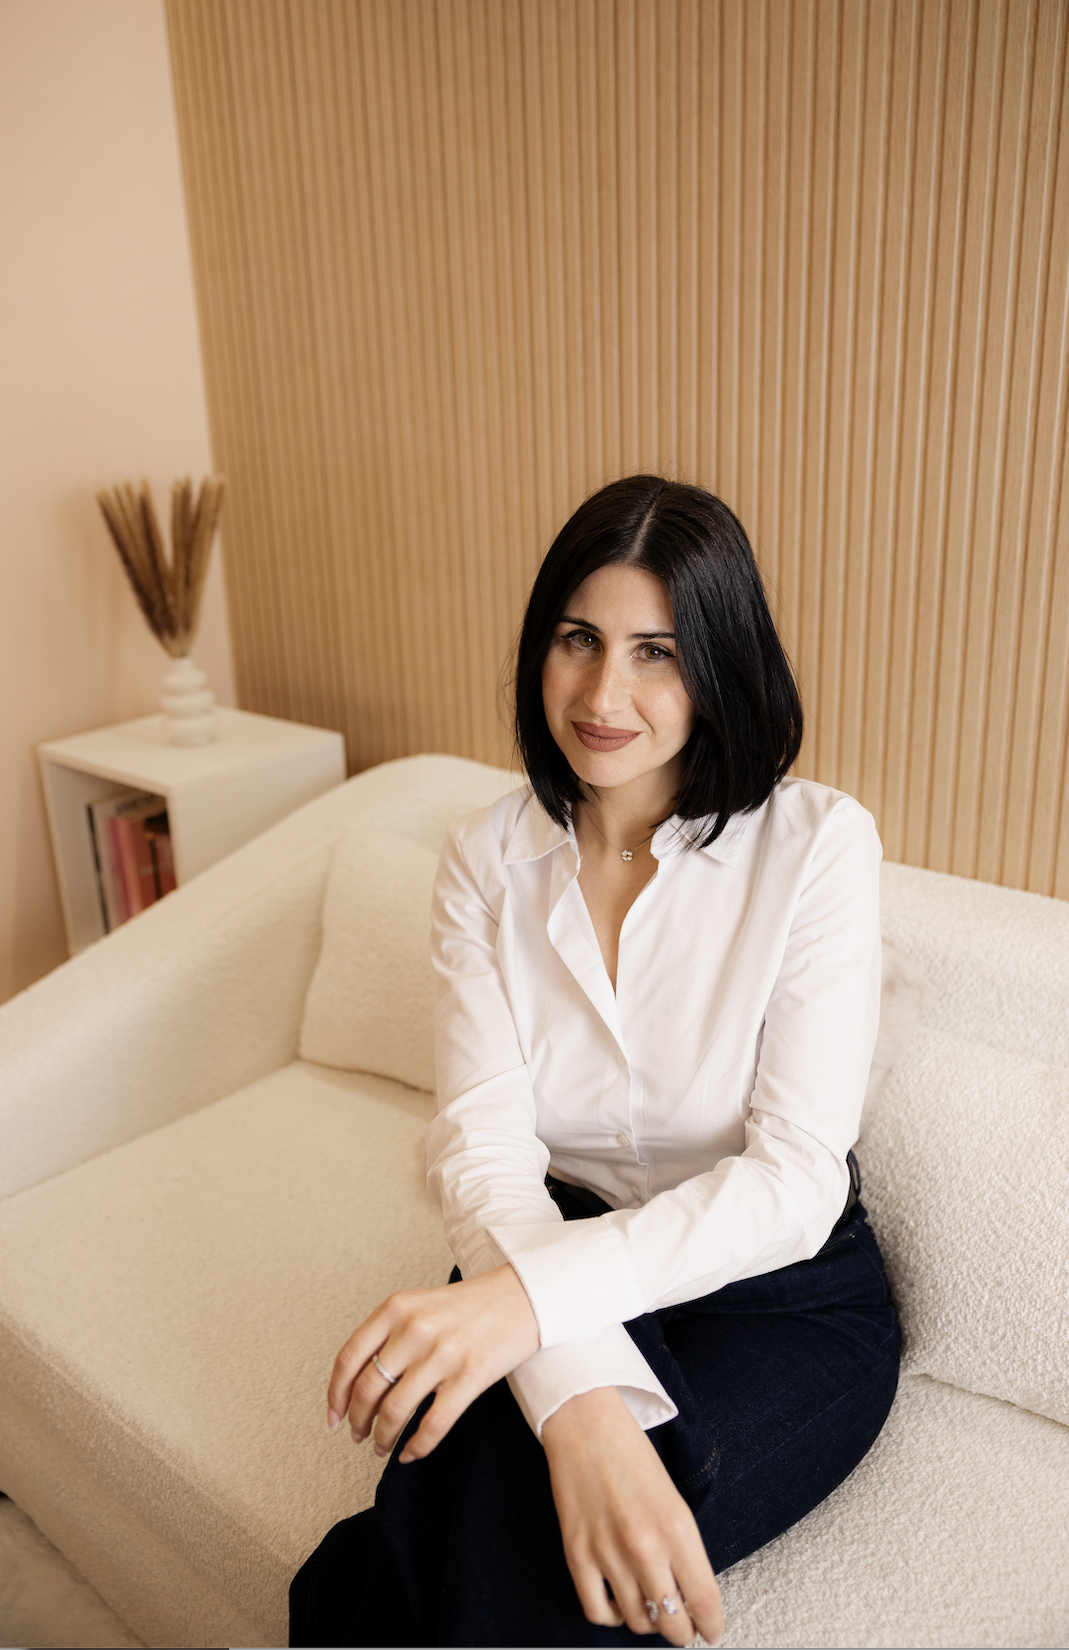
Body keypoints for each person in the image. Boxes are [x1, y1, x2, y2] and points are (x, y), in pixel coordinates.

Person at [290, 476, 901, 1649]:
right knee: (477, 1508)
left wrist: (525, 1317)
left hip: (780, 1293)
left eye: (656, 652)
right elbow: (482, 1147)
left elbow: (791, 1182)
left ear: (719, 664)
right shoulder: (484, 857)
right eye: (578, 639)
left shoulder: (819, 846)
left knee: (513, 1561)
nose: (602, 693)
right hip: (547, 1233)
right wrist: (577, 1404)